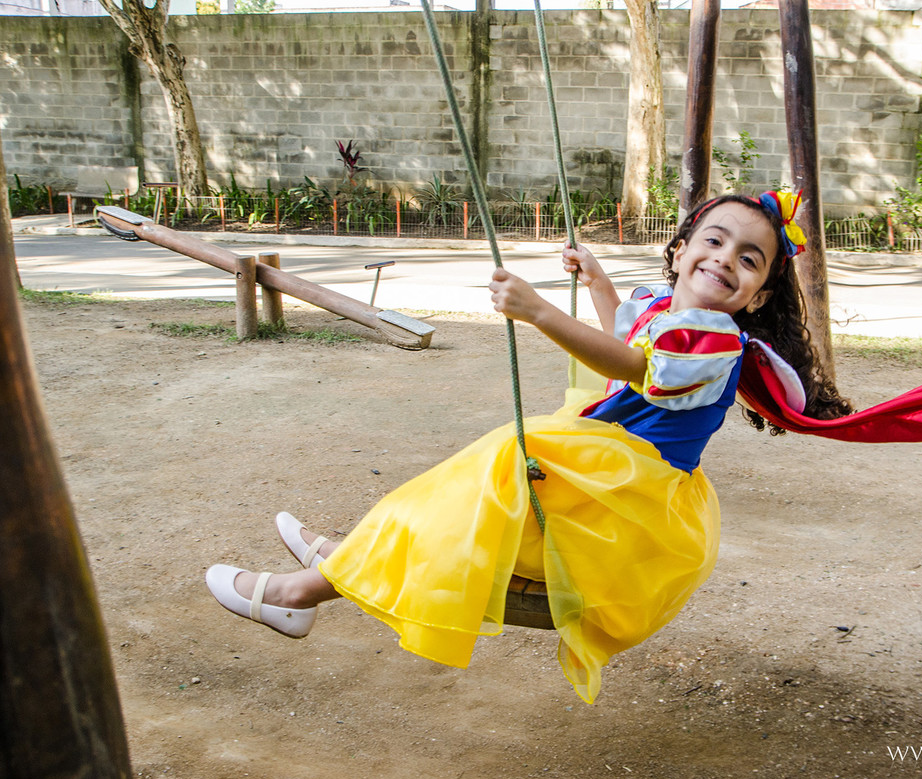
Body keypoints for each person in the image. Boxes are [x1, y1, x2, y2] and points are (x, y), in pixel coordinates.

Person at [206, 191, 854, 703]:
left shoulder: (718, 342)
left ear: (760, 293)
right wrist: (598, 281)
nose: (725, 259)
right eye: (714, 241)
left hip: (627, 500)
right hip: (610, 470)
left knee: (487, 478)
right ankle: (345, 560)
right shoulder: (668, 310)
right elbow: (631, 334)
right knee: (460, 490)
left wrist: (541, 311)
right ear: (681, 251)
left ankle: (298, 595)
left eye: (749, 258)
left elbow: (635, 366)